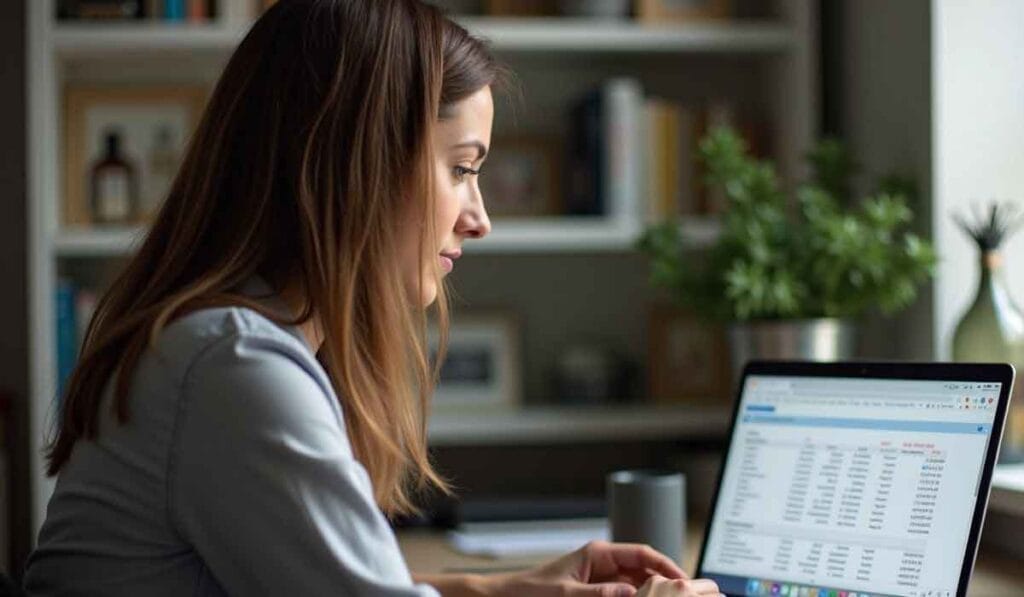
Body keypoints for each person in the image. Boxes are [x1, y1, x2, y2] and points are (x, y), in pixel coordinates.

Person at [24, 1, 721, 596]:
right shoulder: (234, 365)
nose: (479, 217)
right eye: (460, 168)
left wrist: (500, 589)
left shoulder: (213, 343)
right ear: (358, 164)